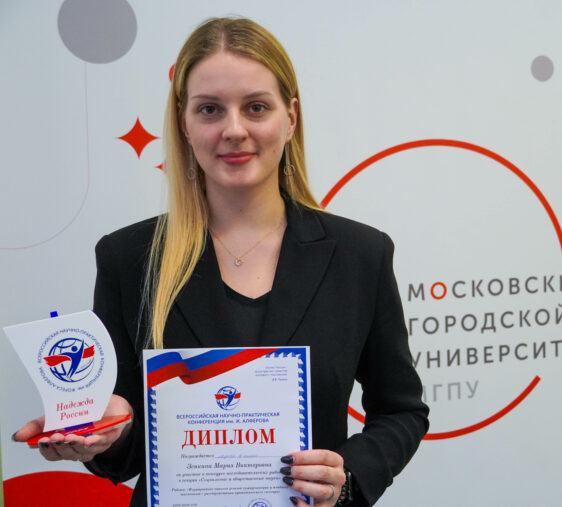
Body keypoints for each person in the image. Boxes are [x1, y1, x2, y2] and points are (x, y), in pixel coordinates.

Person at [13, 17, 429, 507]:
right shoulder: (128, 258)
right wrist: (105, 432)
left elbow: (401, 410)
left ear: (290, 117)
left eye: (256, 107)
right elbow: (124, 451)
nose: (234, 130)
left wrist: (348, 476)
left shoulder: (360, 254)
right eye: (210, 109)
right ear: (184, 124)